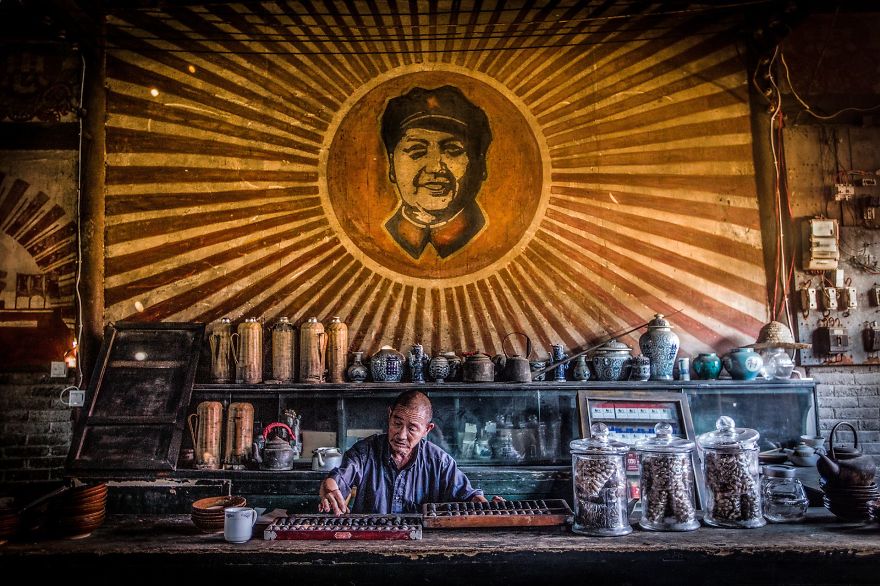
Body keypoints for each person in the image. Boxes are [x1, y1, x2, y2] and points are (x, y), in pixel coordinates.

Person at [318, 389, 500, 514]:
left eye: (412, 428)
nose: (401, 435)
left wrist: (487, 506)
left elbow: (468, 497)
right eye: (397, 423)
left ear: (427, 430)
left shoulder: (439, 462)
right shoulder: (365, 452)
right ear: (389, 416)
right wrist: (329, 485)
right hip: (371, 544)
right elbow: (339, 479)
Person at [380, 85, 492, 260]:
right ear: (392, 166)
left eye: (453, 150)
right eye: (416, 150)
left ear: (481, 164)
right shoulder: (381, 237)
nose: (435, 167)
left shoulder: (491, 236)